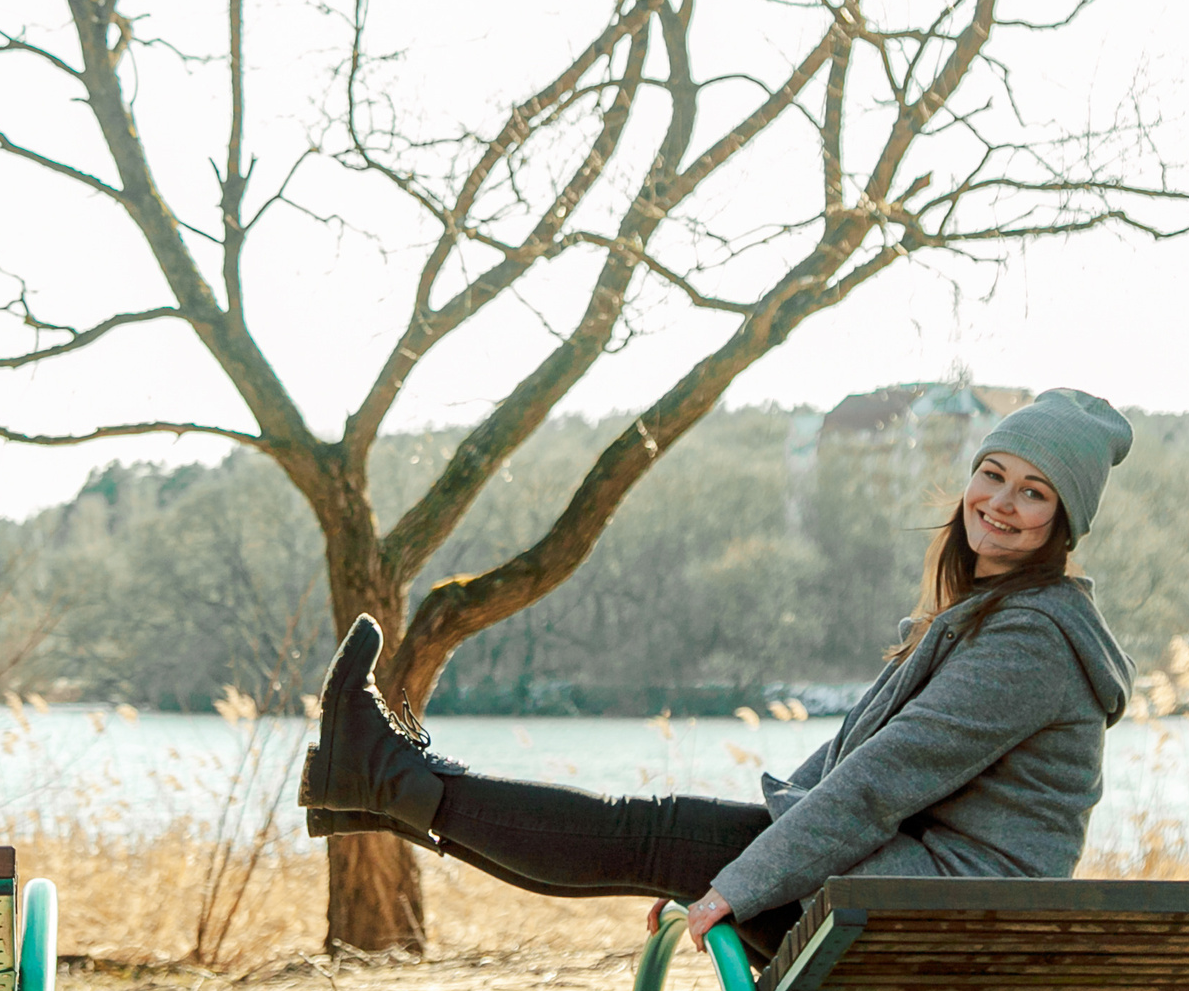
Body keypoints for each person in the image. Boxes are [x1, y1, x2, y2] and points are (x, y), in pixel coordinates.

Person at [297, 387, 1135, 956]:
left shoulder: (1030, 642)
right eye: (993, 473)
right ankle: (382, 787)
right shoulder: (981, 617)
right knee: (654, 839)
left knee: (650, 832)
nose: (1001, 500)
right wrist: (737, 865)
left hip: (931, 922)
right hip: (913, 899)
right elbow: (847, 763)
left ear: (1065, 522)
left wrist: (739, 879)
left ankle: (385, 779)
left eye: (1035, 492)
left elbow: (884, 778)